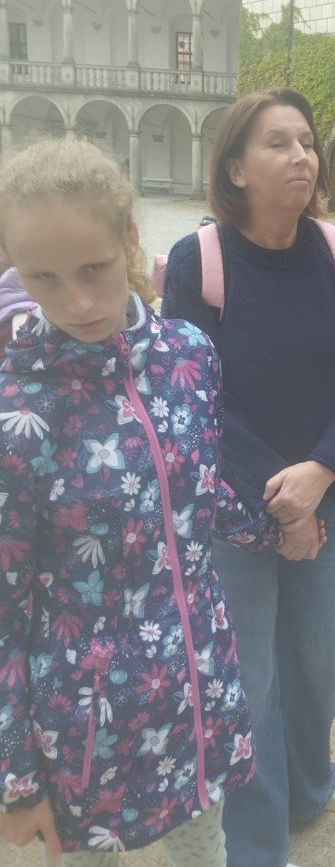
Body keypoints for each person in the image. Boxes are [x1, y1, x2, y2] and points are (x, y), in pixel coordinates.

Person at [0, 139, 280, 864]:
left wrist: (272, 530)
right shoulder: (15, 412)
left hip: (195, 691)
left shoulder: (189, 354)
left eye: (93, 268)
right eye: (44, 277)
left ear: (129, 239)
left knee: (204, 851)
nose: (77, 301)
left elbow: (196, 488)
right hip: (82, 732)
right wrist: (16, 779)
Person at [162, 89, 335, 867]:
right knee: (250, 678)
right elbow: (197, 398)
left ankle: (308, 782)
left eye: (306, 142)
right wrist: (284, 503)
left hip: (325, 499)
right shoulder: (201, 261)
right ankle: (259, 844)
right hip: (237, 515)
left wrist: (319, 477)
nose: (301, 155)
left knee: (317, 662)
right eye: (277, 143)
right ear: (235, 168)